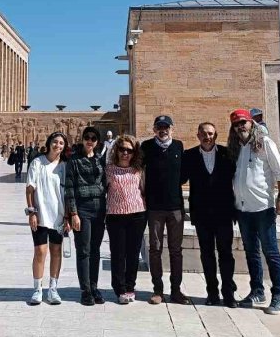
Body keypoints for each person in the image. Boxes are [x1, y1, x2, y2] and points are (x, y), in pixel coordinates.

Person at [228, 109, 280, 315]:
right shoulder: (236, 148)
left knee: (271, 252)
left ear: (251, 123)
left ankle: (278, 295)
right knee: (251, 252)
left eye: (243, 122)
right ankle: (257, 291)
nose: (240, 127)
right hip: (243, 210)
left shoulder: (264, 143)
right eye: (236, 124)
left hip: (263, 208)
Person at [182, 122, 237, 307]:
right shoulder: (189, 155)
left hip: (223, 213)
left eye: (211, 134)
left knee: (226, 254)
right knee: (207, 254)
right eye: (204, 134)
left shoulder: (227, 154)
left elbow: (238, 178)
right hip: (202, 214)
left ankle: (228, 293)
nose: (208, 137)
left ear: (216, 135)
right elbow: (179, 178)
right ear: (198, 135)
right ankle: (212, 292)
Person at [142, 114, 189, 305]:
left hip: (175, 207)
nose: (163, 130)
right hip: (155, 208)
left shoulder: (178, 146)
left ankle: (176, 290)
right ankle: (158, 290)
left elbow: (183, 175)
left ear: (171, 128)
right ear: (154, 129)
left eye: (166, 127)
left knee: (176, 250)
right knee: (155, 249)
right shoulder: (146, 147)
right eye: (159, 127)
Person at [66, 126, 107, 306]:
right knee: (83, 250)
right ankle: (85, 290)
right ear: (82, 139)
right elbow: (69, 188)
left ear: (97, 142)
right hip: (82, 209)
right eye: (87, 137)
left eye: (93, 138)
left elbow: (105, 183)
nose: (90, 141)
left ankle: (94, 286)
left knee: (95, 250)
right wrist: (73, 213)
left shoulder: (100, 160)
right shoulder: (74, 161)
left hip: (99, 209)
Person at [25, 131, 68, 306]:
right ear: (49, 143)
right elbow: (30, 189)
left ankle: (53, 289)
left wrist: (67, 216)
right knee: (40, 251)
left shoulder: (64, 166)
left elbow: (68, 193)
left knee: (56, 251)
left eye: (61, 143)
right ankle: (37, 289)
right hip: (40, 215)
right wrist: (32, 212)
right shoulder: (37, 162)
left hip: (58, 216)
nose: (58, 145)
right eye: (55, 142)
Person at [105, 135, 148, 304]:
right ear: (116, 150)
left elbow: (143, 190)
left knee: (133, 253)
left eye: (129, 150)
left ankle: (130, 287)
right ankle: (120, 288)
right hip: (115, 216)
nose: (125, 153)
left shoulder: (138, 170)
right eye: (122, 149)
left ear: (134, 153)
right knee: (118, 253)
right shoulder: (109, 170)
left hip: (137, 215)